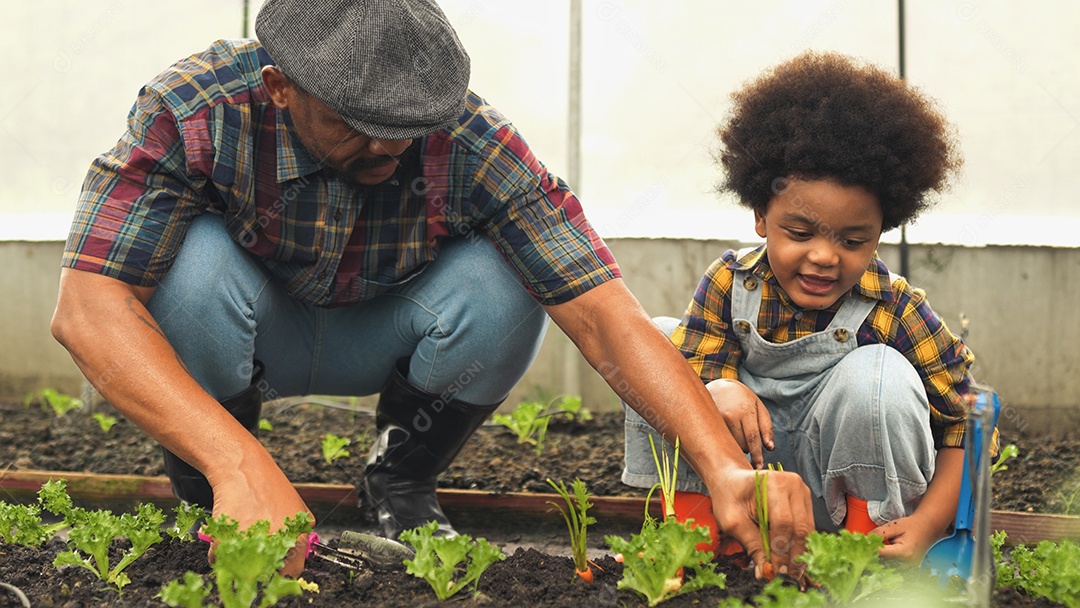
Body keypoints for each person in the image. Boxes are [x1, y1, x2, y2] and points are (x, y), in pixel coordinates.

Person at [51, 0, 813, 577]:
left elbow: (602, 310)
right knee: (192, 266)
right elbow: (87, 311)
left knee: (512, 277)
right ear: (280, 88)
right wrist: (239, 465)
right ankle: (215, 488)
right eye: (357, 123)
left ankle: (402, 479)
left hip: (384, 333)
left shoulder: (473, 138)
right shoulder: (194, 112)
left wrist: (722, 464)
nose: (388, 145)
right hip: (248, 336)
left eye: (407, 125)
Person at [623, 51, 997, 563]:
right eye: (799, 233)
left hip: (839, 504)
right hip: (747, 496)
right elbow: (688, 374)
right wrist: (716, 386)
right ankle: (694, 538)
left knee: (878, 371)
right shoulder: (730, 283)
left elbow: (970, 422)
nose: (823, 257)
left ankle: (859, 553)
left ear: (881, 233)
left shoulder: (894, 308)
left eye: (852, 240)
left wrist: (929, 525)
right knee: (658, 347)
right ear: (760, 215)